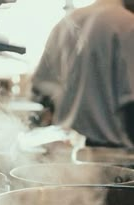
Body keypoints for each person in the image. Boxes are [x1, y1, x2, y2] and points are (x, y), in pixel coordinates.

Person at [31, 0, 134, 148]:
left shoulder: (67, 21)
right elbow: (130, 104)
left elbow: (40, 90)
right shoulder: (128, 24)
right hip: (113, 152)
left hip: (65, 146)